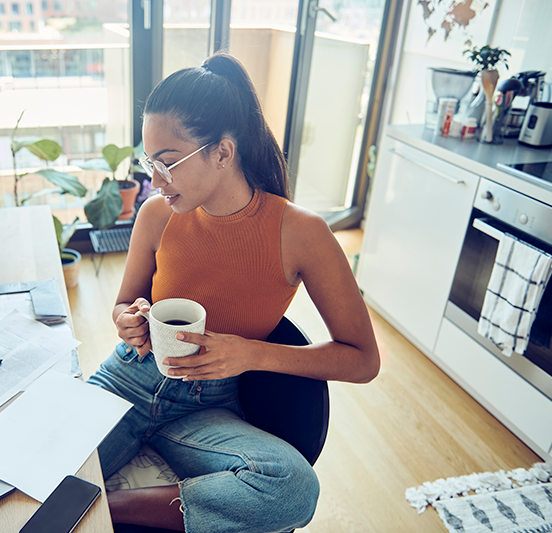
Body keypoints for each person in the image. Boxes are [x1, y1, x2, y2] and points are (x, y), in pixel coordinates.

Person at [87, 52, 380, 533]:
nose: (153, 182)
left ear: (222, 153)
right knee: (33, 476)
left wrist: (249, 354)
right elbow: (124, 303)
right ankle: (96, 500)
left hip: (204, 407)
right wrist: (127, 319)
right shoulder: (156, 215)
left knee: (292, 486)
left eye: (167, 164)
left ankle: (107, 509)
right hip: (128, 380)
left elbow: (363, 360)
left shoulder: (301, 234)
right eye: (149, 163)